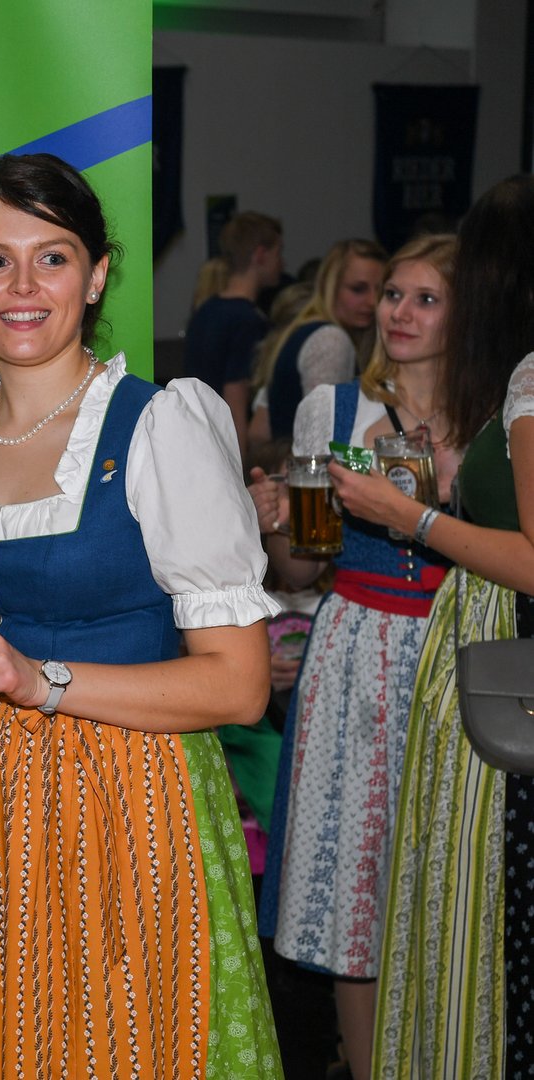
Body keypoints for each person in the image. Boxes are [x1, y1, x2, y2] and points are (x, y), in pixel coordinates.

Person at [0, 153, 282, 1077]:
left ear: (96, 276)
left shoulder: (160, 427)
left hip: (127, 803)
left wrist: (42, 680)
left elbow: (239, 685)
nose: (22, 287)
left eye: (52, 258)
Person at [337, 175, 534, 1078]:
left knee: (481, 900)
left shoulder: (526, 379)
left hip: (504, 659)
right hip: (482, 647)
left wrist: (409, 516)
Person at [249, 235, 458, 1080]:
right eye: (393, 295)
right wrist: (274, 520)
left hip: (452, 652)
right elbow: (303, 566)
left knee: (442, 879)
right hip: (355, 649)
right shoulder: (331, 410)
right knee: (353, 896)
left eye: (426, 299)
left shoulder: (493, 421)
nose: (398, 312)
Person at [251, 239, 387, 443]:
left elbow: (258, 430)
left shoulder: (298, 330)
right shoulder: (331, 340)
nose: (372, 301)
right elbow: (324, 440)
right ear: (329, 286)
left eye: (382, 291)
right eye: (358, 289)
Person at [183, 212, 283, 452]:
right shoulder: (246, 320)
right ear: (260, 255)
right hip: (226, 444)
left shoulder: (206, 309)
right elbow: (235, 400)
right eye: (279, 253)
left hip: (199, 437)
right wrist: (239, 467)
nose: (283, 263)